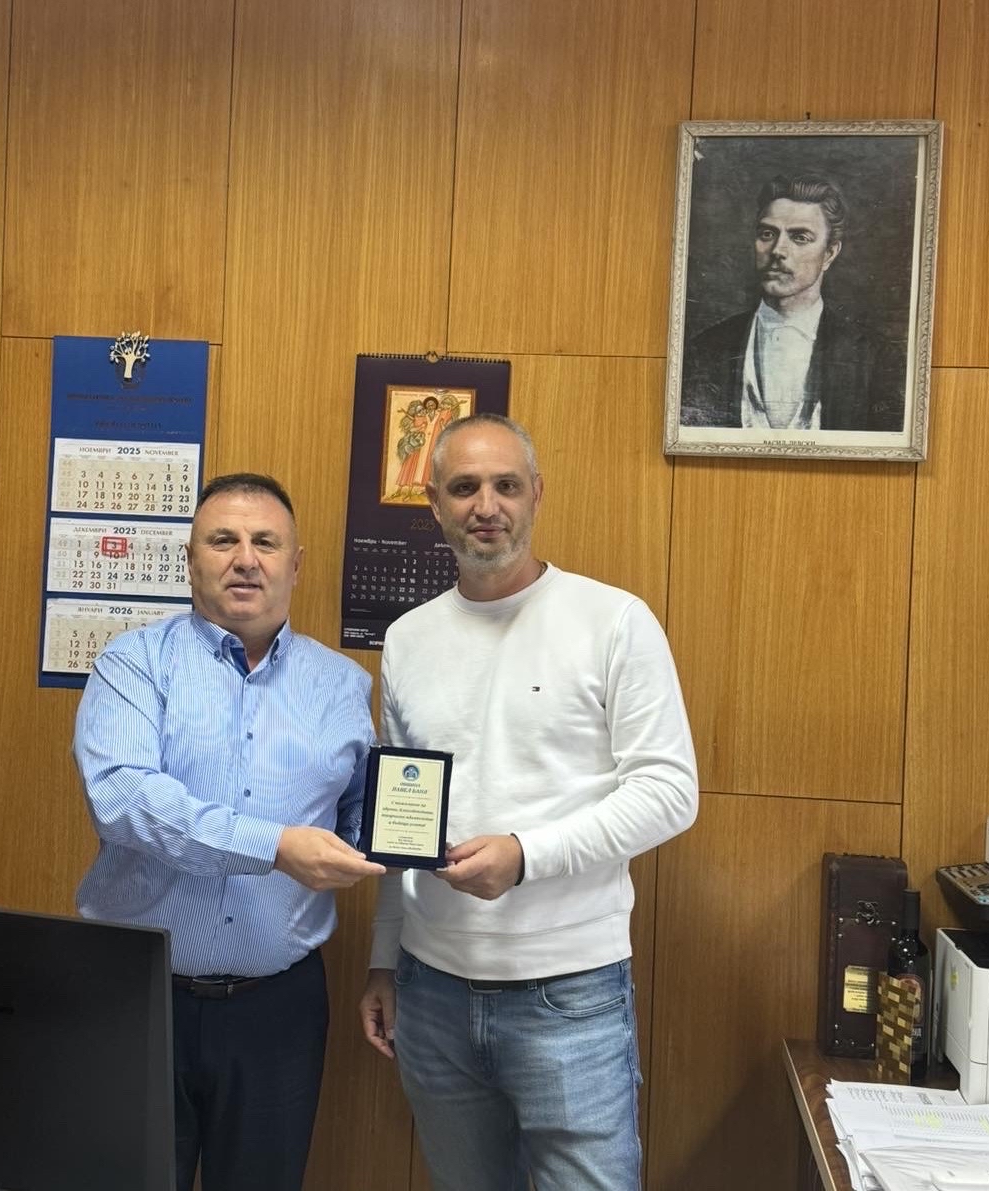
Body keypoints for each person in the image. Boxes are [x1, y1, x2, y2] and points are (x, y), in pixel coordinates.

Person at [358, 415, 699, 1191]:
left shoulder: (613, 621)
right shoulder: (407, 638)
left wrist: (526, 856)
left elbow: (670, 791)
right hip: (431, 991)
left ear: (536, 494)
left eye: (506, 485)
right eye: (464, 487)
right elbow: (403, 818)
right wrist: (384, 958)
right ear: (434, 504)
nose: (487, 505)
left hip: (569, 995)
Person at [74, 472, 385, 1191]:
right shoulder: (133, 663)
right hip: (136, 999)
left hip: (278, 1009)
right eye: (223, 540)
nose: (246, 559)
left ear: (295, 564)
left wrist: (408, 837)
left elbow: (356, 815)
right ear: (190, 560)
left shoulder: (342, 685)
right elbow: (123, 798)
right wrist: (273, 846)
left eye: (265, 542)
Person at [681, 174, 906, 431]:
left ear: (829, 253)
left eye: (799, 237)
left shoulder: (876, 357)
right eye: (767, 234)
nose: (778, 250)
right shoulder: (705, 349)